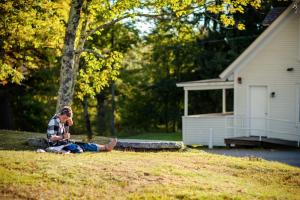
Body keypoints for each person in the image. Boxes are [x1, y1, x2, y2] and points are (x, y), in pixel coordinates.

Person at [46, 106, 117, 152]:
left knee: (85, 144)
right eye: (64, 118)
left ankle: (106, 147)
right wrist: (63, 137)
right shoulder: (54, 121)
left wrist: (69, 120)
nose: (65, 120)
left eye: (67, 119)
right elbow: (51, 138)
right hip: (56, 145)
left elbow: (69, 121)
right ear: (60, 114)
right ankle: (105, 148)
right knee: (77, 148)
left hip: (64, 142)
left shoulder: (62, 119)